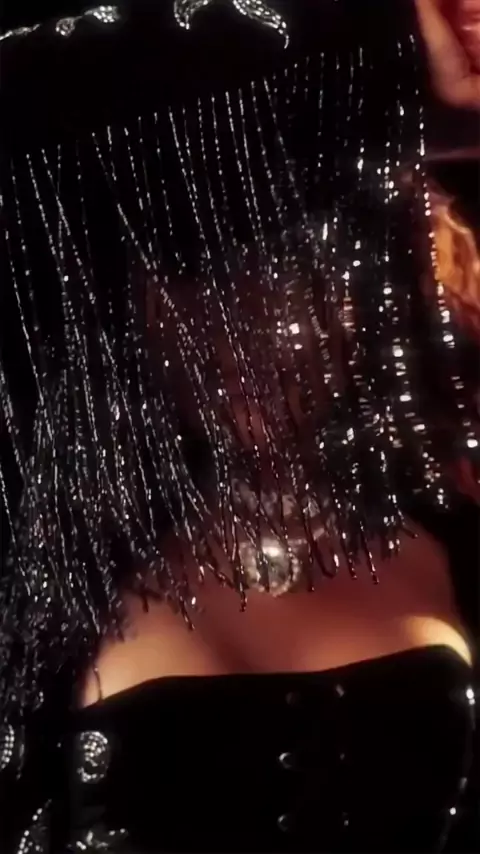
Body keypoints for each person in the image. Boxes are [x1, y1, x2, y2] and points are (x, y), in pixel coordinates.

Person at [0, 1, 478, 852]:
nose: (248, 328)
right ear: (134, 320)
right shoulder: (52, 588)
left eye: (293, 268)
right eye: (197, 277)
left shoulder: (453, 543)